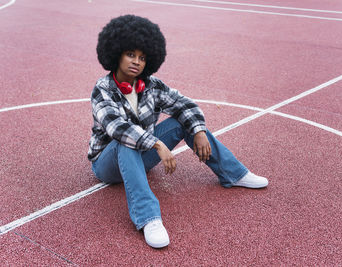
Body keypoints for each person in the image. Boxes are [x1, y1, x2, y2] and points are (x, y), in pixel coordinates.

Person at [88, 14, 268, 249]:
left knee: (183, 121)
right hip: (107, 164)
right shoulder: (103, 89)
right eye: (130, 54)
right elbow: (119, 128)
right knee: (126, 141)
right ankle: (148, 218)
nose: (137, 62)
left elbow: (185, 104)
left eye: (143, 57)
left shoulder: (151, 85)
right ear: (116, 53)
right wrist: (157, 144)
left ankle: (233, 173)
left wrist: (199, 130)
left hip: (142, 156)